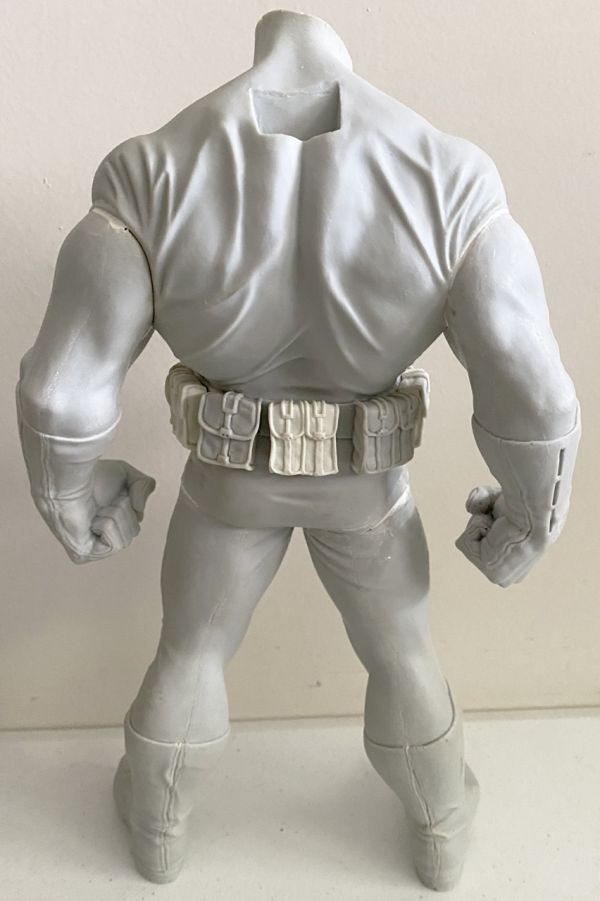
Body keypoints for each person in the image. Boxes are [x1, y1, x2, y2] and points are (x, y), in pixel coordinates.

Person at [16, 10, 580, 891]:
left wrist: (73, 496)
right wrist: (524, 521)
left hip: (228, 482)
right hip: (366, 487)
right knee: (403, 653)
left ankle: (158, 829)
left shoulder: (151, 172)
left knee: (191, 651)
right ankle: (441, 829)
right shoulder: (450, 178)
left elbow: (60, 390)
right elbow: (534, 391)